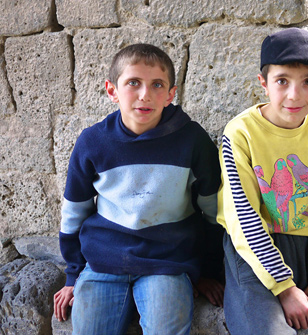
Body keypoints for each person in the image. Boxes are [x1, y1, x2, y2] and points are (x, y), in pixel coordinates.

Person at [53, 43, 224, 335]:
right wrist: (73, 275)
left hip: (168, 262)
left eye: (157, 85)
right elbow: (74, 212)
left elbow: (213, 213)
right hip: (103, 262)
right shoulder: (93, 142)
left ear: (172, 93)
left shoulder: (192, 141)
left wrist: (208, 272)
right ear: (112, 90)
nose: (145, 94)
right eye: (133, 83)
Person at [217, 28, 308, 335]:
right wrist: (284, 289)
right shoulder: (240, 134)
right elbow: (244, 219)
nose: (294, 94)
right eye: (282, 81)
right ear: (264, 83)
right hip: (254, 252)